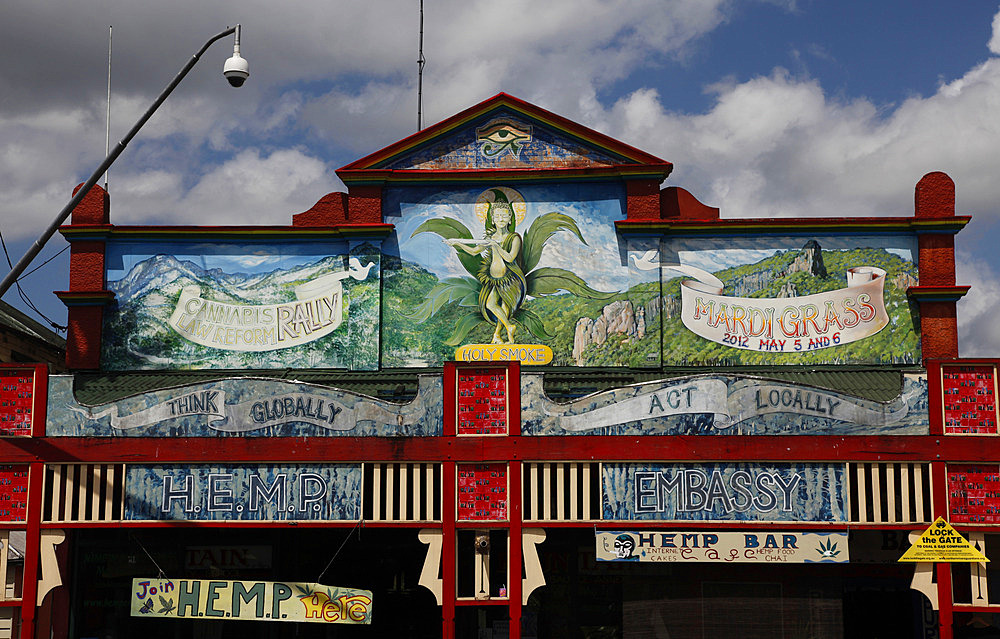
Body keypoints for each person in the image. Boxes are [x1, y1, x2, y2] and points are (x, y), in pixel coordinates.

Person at [445, 189, 526, 344]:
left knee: (505, 305)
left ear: (510, 219)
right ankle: (508, 328)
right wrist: (458, 243)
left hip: (509, 278)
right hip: (493, 278)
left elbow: (510, 257)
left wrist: (496, 246)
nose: (501, 219)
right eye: (497, 216)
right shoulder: (491, 237)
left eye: (504, 216)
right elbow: (475, 251)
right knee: (490, 304)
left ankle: (501, 334)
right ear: (492, 219)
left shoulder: (514, 238)